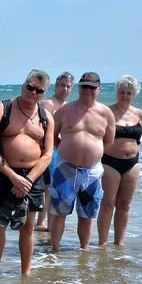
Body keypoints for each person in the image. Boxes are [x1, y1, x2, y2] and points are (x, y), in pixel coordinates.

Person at [0, 69, 54, 276]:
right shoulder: (2, 109)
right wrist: (13, 177)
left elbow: (48, 154)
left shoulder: (46, 117)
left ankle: (26, 273)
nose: (33, 93)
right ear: (23, 85)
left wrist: (28, 179)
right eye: (30, 87)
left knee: (28, 227)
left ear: (43, 93)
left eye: (38, 91)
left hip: (33, 176)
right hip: (4, 172)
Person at [50, 72, 115, 252]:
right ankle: (54, 250)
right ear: (79, 87)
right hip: (65, 169)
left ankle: (84, 250)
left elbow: (108, 140)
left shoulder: (106, 113)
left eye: (92, 87)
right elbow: (52, 136)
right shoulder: (65, 110)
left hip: (92, 172)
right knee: (58, 213)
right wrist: (67, 150)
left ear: (98, 89)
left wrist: (92, 153)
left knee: (87, 215)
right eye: (85, 86)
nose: (88, 90)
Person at [97, 75, 142, 246]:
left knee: (124, 206)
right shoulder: (108, 112)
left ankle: (119, 243)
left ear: (134, 94)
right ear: (117, 92)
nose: (125, 95)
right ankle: (102, 243)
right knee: (108, 204)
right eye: (122, 92)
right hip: (110, 162)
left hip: (132, 164)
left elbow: (138, 139)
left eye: (129, 93)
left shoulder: (138, 113)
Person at [36, 71, 74, 231]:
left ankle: (47, 220)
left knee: (54, 188)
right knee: (47, 186)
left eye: (68, 86)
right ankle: (40, 221)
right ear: (56, 86)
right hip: (47, 149)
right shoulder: (47, 104)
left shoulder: (69, 107)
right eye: (62, 85)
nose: (65, 89)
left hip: (61, 151)